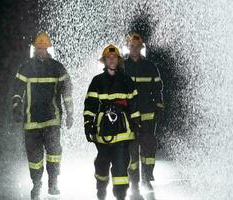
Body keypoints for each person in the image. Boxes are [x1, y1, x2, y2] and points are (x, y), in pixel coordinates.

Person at [12, 32, 73, 200]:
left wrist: (70, 113)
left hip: (51, 120)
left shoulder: (57, 67)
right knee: (34, 158)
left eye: (44, 48)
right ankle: (36, 184)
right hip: (32, 121)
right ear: (35, 48)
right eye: (39, 48)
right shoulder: (26, 67)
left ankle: (53, 183)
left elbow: (67, 92)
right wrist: (16, 106)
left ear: (48, 48)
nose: (41, 51)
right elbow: (17, 89)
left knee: (54, 153)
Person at [83, 44, 141, 200]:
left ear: (118, 60)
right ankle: (101, 190)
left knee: (121, 169)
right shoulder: (97, 81)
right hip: (102, 133)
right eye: (108, 57)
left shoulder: (126, 80)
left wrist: (136, 124)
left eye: (114, 57)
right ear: (104, 60)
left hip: (123, 132)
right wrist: (88, 124)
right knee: (102, 165)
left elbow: (134, 103)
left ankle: (120, 196)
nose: (112, 60)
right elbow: (90, 105)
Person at [124, 33, 164, 197]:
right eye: (132, 46)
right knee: (131, 151)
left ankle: (147, 177)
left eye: (137, 47)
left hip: (147, 115)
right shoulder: (122, 67)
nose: (134, 49)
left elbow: (157, 89)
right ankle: (134, 181)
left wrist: (159, 106)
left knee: (148, 149)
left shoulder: (150, 67)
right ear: (129, 47)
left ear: (141, 48)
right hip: (129, 117)